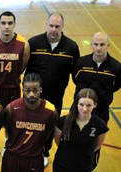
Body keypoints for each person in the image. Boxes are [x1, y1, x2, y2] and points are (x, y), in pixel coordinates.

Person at [26, 12, 80, 160]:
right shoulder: (33, 43)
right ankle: (29, 147)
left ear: (62, 27)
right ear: (46, 25)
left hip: (56, 95)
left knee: (50, 123)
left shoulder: (71, 47)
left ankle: (45, 151)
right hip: (33, 96)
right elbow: (25, 68)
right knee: (30, 122)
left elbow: (76, 72)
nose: (54, 29)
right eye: (51, 25)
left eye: (57, 26)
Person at [72, 32, 121, 171]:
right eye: (96, 44)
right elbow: (75, 79)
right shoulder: (81, 63)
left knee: (94, 141)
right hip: (79, 111)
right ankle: (74, 161)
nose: (99, 48)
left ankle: (90, 167)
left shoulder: (116, 67)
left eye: (102, 45)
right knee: (74, 137)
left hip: (100, 112)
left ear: (108, 46)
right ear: (91, 45)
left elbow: (116, 86)